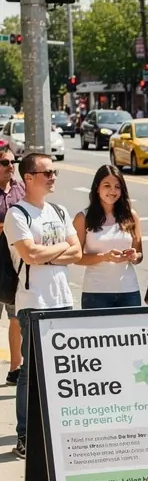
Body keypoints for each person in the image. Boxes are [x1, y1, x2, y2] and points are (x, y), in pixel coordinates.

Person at [5, 151, 81, 458]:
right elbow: (29, 255)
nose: (52, 177)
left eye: (53, 172)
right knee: (30, 372)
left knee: (61, 372)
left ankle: (55, 432)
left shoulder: (59, 211)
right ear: (29, 178)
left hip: (63, 300)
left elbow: (77, 252)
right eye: (46, 173)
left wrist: (47, 253)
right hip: (33, 302)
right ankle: (25, 434)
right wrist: (58, 250)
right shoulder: (17, 214)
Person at [73, 165, 143, 309]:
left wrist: (134, 256)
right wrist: (104, 257)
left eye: (117, 187)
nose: (112, 191)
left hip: (129, 292)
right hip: (95, 293)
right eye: (107, 186)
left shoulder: (131, 216)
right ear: (97, 188)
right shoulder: (83, 218)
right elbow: (76, 257)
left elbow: (139, 255)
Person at [0, 150, 26, 384]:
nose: (11, 165)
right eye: (5, 162)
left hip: (13, 264)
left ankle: (15, 369)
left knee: (15, 317)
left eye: (13, 161)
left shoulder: (21, 189)